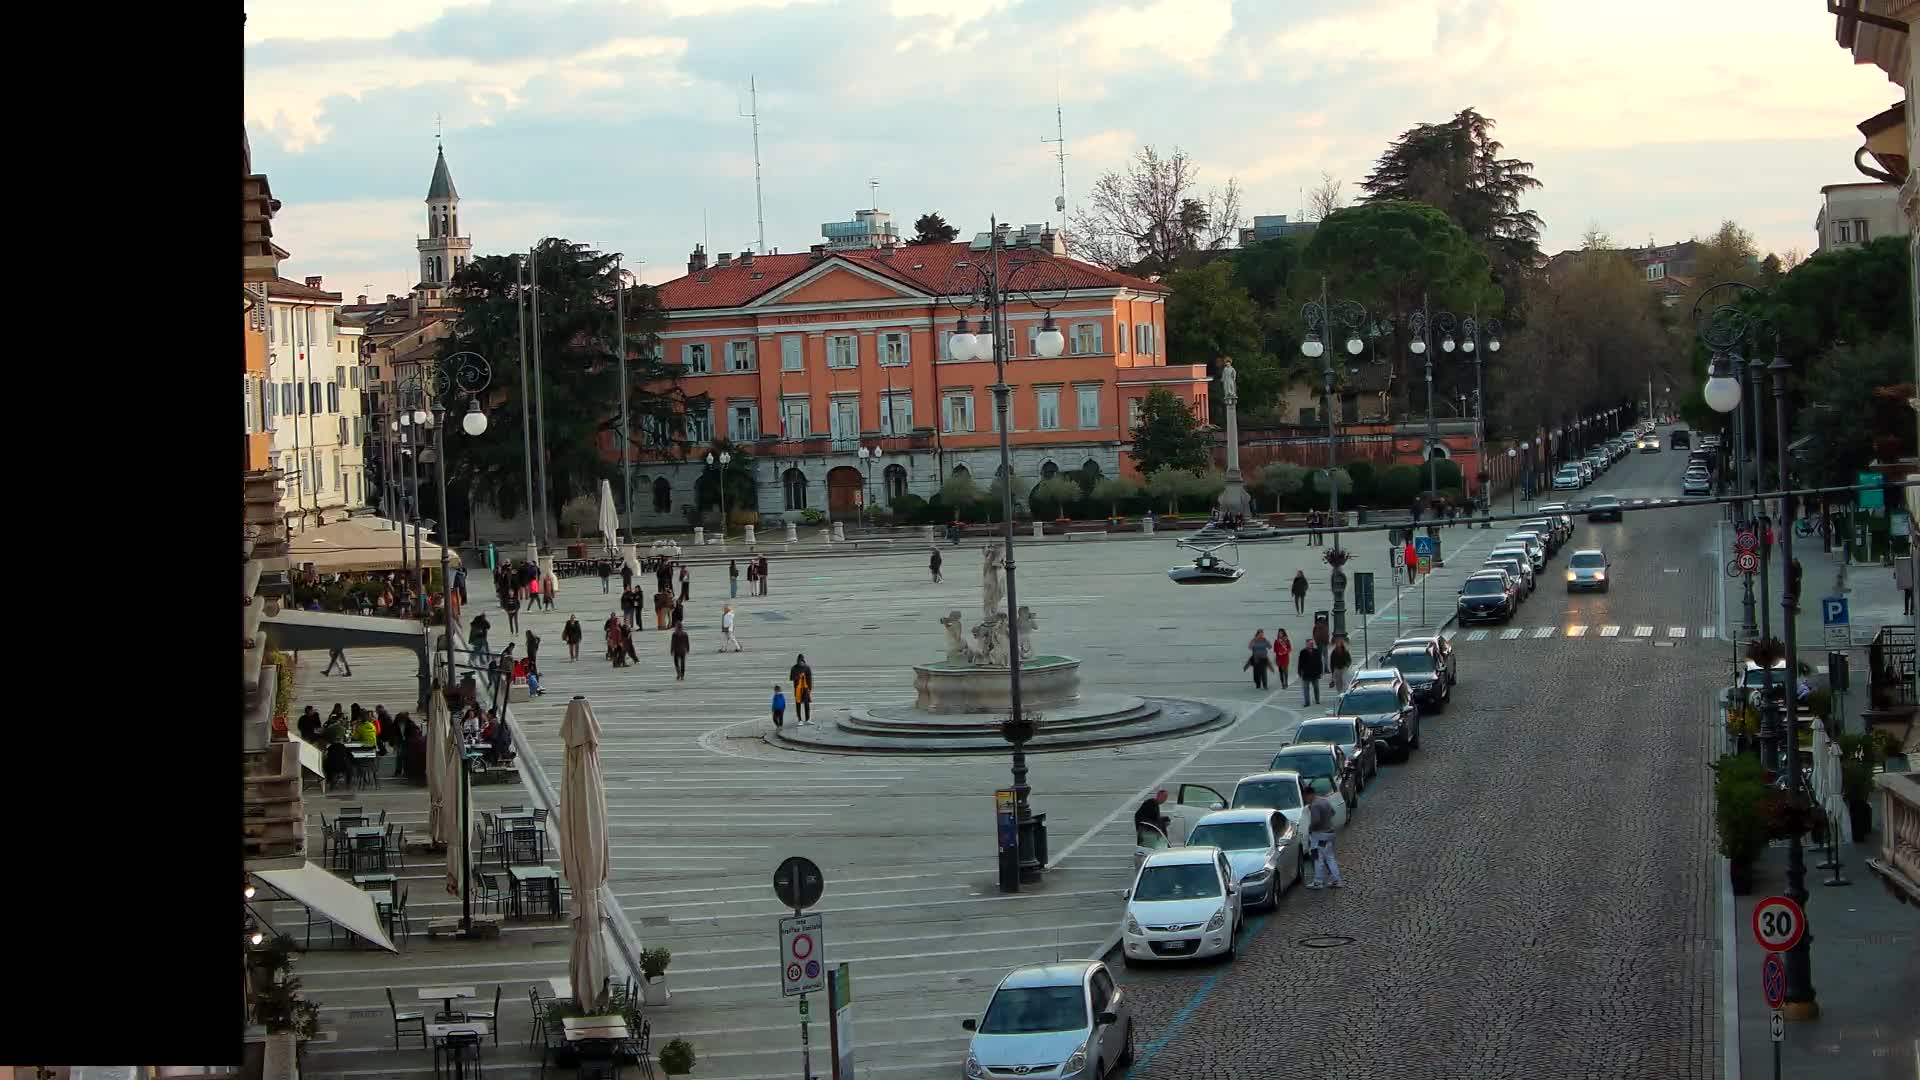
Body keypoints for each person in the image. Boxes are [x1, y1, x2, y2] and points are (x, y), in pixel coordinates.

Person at [1303, 784, 1343, 889]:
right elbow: (1333, 812)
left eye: (1305, 797)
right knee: (1330, 858)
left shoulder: (1315, 805)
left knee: (1318, 858)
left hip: (1320, 836)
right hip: (1329, 833)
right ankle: (1336, 880)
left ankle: (1318, 881)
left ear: (1309, 795)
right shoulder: (1324, 801)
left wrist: (1310, 829)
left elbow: (1315, 820)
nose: (1305, 800)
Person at [1297, 638, 1323, 706]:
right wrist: (1299, 671)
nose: (1311, 644)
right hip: (1306, 673)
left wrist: (1320, 672)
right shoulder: (1303, 652)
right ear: (1306, 644)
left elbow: (1319, 662)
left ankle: (1317, 700)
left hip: (1315, 673)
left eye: (1312, 643)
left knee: (1316, 688)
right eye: (1310, 643)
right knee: (1306, 688)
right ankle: (1307, 702)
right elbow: (1300, 663)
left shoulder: (1316, 651)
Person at [789, 654, 814, 725]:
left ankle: (808, 719)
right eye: (800, 661)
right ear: (798, 661)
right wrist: (799, 676)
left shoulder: (807, 668)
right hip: (797, 688)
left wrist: (810, 688)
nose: (801, 663)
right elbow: (791, 678)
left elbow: (810, 679)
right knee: (798, 703)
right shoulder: (794, 668)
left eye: (802, 661)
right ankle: (799, 720)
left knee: (807, 703)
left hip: (806, 688)